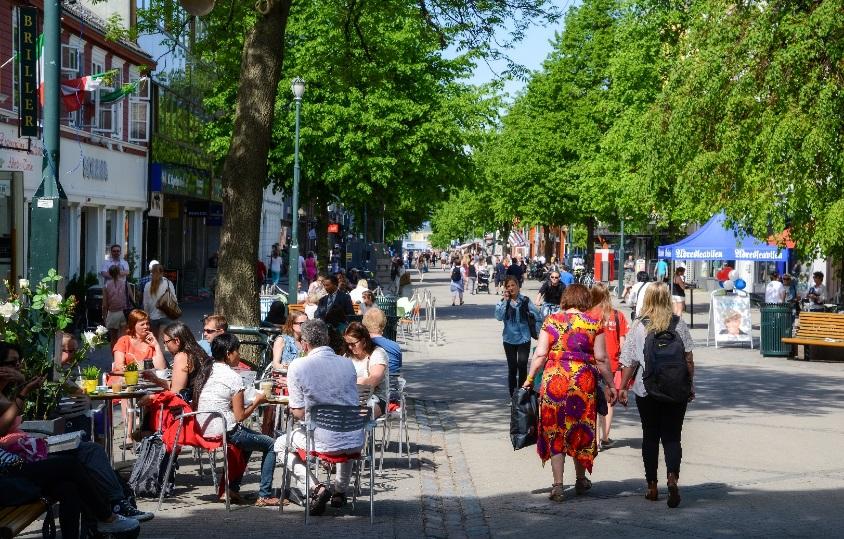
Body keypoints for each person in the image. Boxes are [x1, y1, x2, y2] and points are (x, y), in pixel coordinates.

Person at [0, 342, 152, 527]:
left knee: (73, 479)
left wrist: (22, 382)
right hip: (14, 460)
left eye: (19, 362)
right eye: (12, 363)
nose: (17, 367)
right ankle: (111, 511)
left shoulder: (5, 390)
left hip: (26, 450)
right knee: (80, 459)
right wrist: (24, 391)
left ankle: (112, 508)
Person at [522, 284, 616, 503]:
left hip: (555, 382)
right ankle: (581, 480)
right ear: (585, 300)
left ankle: (558, 486)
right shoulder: (594, 324)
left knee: (555, 430)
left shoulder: (552, 321)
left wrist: (529, 379)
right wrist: (611, 385)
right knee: (580, 427)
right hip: (582, 384)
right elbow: (601, 359)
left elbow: (541, 353)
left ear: (566, 299)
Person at [619, 283, 695, 508]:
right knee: (672, 437)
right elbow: (688, 359)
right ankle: (672, 478)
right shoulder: (678, 324)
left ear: (648, 299)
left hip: (646, 388)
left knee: (650, 436)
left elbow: (630, 361)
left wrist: (623, 386)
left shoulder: (639, 325)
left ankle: (652, 486)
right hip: (675, 389)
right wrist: (689, 385)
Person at [283, 320, 365, 513]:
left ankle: (316, 488)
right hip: (355, 439)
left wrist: (292, 409)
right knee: (343, 432)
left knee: (281, 444)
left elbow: (299, 412)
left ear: (304, 343)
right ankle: (339, 492)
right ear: (328, 339)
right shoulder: (347, 363)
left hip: (324, 442)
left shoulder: (298, 366)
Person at [194, 334, 279, 506]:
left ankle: (231, 489)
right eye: (237, 351)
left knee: (249, 442)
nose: (239, 355)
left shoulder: (207, 371)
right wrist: (257, 402)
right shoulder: (233, 376)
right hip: (224, 429)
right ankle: (265, 494)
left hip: (203, 427)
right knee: (271, 444)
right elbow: (240, 416)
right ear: (228, 353)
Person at [113, 309, 167, 445]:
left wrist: (156, 346)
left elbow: (161, 367)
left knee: (156, 395)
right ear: (133, 325)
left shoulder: (150, 343)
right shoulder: (124, 341)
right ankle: (129, 433)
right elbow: (118, 366)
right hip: (127, 380)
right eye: (142, 324)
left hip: (148, 382)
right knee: (128, 393)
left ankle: (146, 430)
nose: (146, 327)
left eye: (147, 324)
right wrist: (134, 370)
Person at [589, 283, 628, 449]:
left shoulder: (587, 315)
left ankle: (594, 439)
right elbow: (623, 343)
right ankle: (605, 436)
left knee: (592, 399)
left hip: (591, 361)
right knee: (609, 400)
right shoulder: (618, 316)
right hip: (611, 363)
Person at [495, 276, 541, 396]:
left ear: (518, 286)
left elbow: (538, 316)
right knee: (512, 368)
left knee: (522, 367)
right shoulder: (503, 302)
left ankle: (522, 395)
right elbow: (498, 317)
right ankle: (512, 396)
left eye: (512, 285)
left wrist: (537, 332)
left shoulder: (525, 300)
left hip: (524, 339)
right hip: (509, 340)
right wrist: (505, 301)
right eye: (508, 286)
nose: (511, 288)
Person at [142, 321, 207, 404]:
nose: (165, 346)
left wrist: (152, 398)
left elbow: (176, 393)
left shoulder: (182, 356)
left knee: (147, 406)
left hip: (190, 409)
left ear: (177, 341)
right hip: (201, 403)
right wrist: (155, 379)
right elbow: (176, 386)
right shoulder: (199, 351)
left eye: (166, 342)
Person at [343, 322, 389, 417]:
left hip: (376, 399)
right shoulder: (347, 356)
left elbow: (374, 380)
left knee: (357, 415)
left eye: (353, 344)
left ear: (364, 341)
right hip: (351, 398)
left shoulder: (377, 353)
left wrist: (357, 383)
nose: (350, 347)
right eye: (348, 344)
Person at [362, 307, 402, 375]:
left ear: (364, 324)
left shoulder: (361, 345)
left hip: (369, 382)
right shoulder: (395, 346)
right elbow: (398, 367)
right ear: (383, 325)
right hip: (393, 383)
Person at [143, 263, 176, 338]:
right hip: (165, 315)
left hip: (152, 316)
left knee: (154, 339)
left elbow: (145, 303)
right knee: (162, 340)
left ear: (152, 272)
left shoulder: (147, 285)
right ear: (162, 273)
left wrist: (146, 316)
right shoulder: (168, 283)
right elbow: (173, 299)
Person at [101, 265, 128, 348]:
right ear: (119, 272)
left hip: (112, 313)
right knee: (123, 337)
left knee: (113, 338)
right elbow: (132, 299)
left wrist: (104, 316)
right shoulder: (125, 284)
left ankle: (115, 358)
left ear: (109, 273)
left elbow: (105, 304)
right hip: (124, 312)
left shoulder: (106, 286)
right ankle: (122, 356)